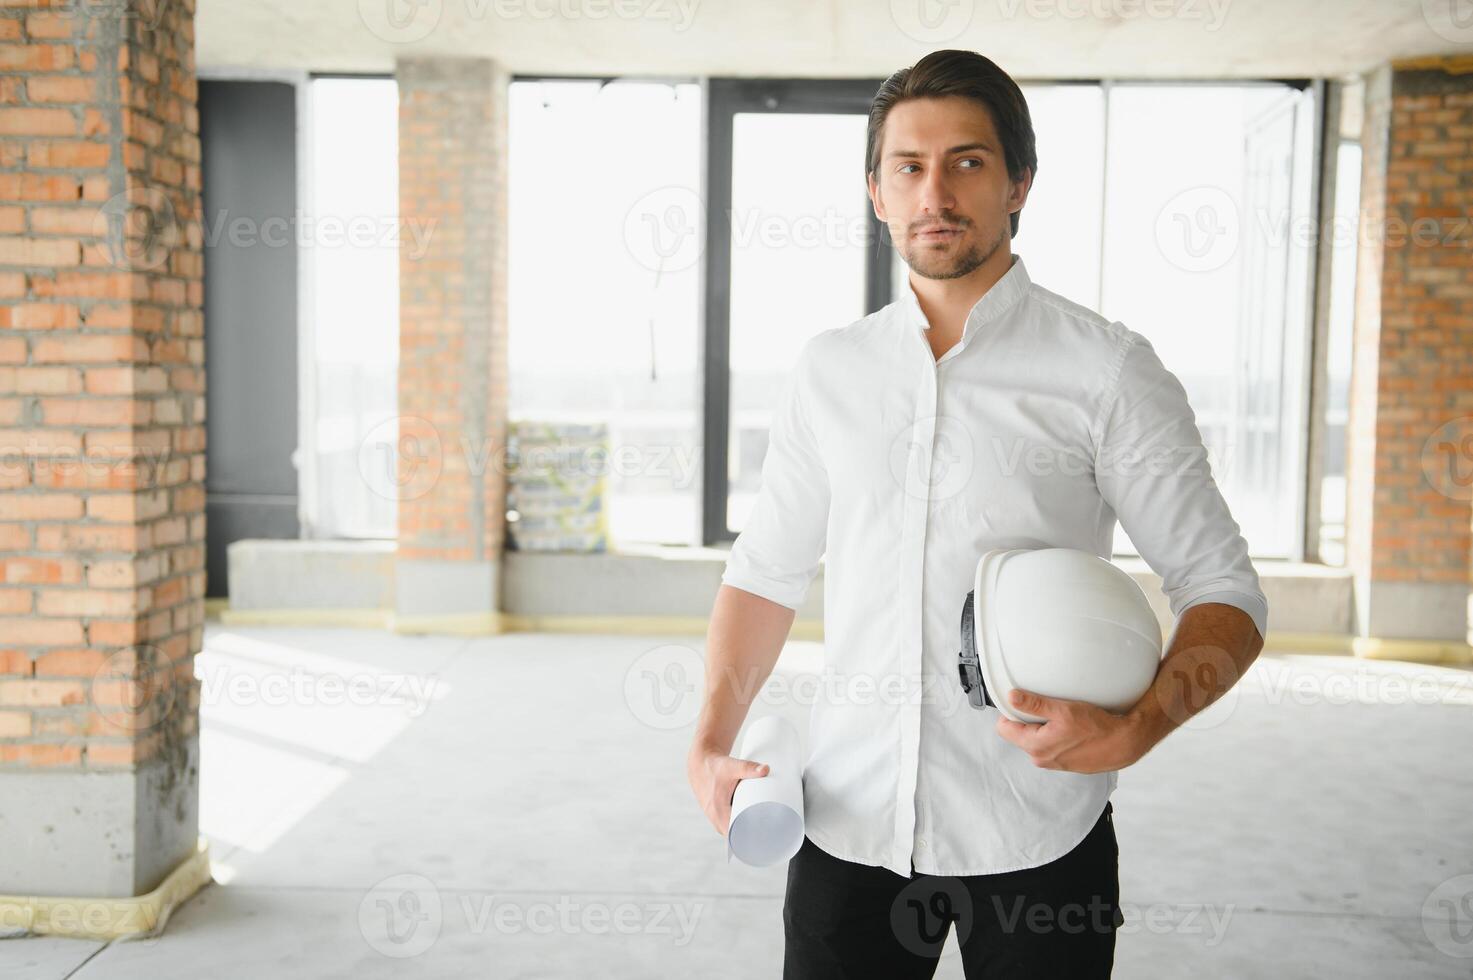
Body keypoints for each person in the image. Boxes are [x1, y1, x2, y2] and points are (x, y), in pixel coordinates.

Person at [686, 49, 1267, 979]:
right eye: (908, 167)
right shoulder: (830, 371)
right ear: (876, 192)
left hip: (1039, 831)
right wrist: (711, 740)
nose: (935, 193)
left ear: (1018, 184)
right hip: (847, 827)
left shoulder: (1107, 371)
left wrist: (1143, 723)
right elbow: (765, 574)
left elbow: (1223, 591)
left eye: (967, 161)